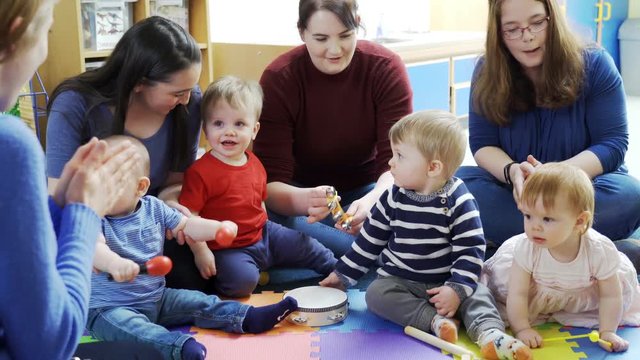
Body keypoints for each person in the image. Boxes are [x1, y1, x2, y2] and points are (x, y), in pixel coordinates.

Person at [320, 110, 532, 360]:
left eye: (399, 156)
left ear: (433, 167)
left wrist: (457, 289)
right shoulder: (392, 197)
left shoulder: (458, 200)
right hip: (403, 282)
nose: (391, 163)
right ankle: (435, 321)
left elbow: (471, 250)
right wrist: (343, 274)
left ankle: (490, 335)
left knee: (480, 294)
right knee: (375, 295)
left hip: (448, 280)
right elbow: (369, 240)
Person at [0, 1, 141, 358]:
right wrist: (84, 213)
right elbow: (50, 343)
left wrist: (57, 208)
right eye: (46, 32)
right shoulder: (10, 144)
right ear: (16, 35)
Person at [455, 0, 640, 261]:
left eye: (537, 23)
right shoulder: (487, 70)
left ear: (552, 18)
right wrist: (513, 172)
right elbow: (483, 144)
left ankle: (515, 250)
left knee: (629, 196)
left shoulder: (595, 64)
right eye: (512, 29)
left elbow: (613, 144)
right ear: (498, 32)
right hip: (516, 190)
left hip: (581, 187)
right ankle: (584, 250)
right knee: (457, 188)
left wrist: (556, 176)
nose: (527, 36)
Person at [88, 136, 298, 360]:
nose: (99, 192)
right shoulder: (92, 216)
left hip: (157, 298)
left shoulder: (154, 208)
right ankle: (179, 348)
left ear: (140, 187)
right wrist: (114, 263)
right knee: (136, 332)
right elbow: (94, 248)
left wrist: (216, 228)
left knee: (200, 301)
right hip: (108, 309)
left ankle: (248, 317)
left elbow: (187, 226)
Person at [44, 15, 206, 288]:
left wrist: (172, 204)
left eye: (190, 90)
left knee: (196, 280)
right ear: (139, 82)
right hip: (93, 224)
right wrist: (97, 246)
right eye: (178, 93)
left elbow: (174, 182)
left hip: (148, 221)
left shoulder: (188, 104)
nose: (186, 100)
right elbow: (59, 199)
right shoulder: (75, 104)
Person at [253, 0, 413, 257]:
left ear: (358, 25)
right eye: (320, 38)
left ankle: (329, 255)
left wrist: (373, 201)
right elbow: (270, 184)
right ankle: (364, 254)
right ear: (301, 32)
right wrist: (305, 200)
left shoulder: (385, 68)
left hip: (368, 188)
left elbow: (397, 162)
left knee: (422, 204)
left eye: (345, 35)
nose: (334, 49)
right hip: (299, 198)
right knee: (257, 217)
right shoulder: (280, 78)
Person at [177, 76, 337, 296]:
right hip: (228, 247)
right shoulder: (199, 172)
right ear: (206, 130)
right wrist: (201, 252)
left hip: (264, 233)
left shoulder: (254, 162)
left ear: (254, 130)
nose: (229, 132)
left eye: (239, 124)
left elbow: (260, 203)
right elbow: (189, 218)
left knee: (307, 244)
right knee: (242, 282)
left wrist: (272, 235)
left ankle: (338, 272)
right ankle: (257, 274)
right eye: (218, 124)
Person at [481, 162, 640, 352]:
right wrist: (522, 328)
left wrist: (607, 332)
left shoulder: (598, 250)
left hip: (583, 294)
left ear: (579, 221)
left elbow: (610, 295)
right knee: (495, 306)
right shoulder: (527, 247)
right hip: (537, 293)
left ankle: (631, 249)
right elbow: (518, 293)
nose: (534, 227)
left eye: (547, 219)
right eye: (528, 216)